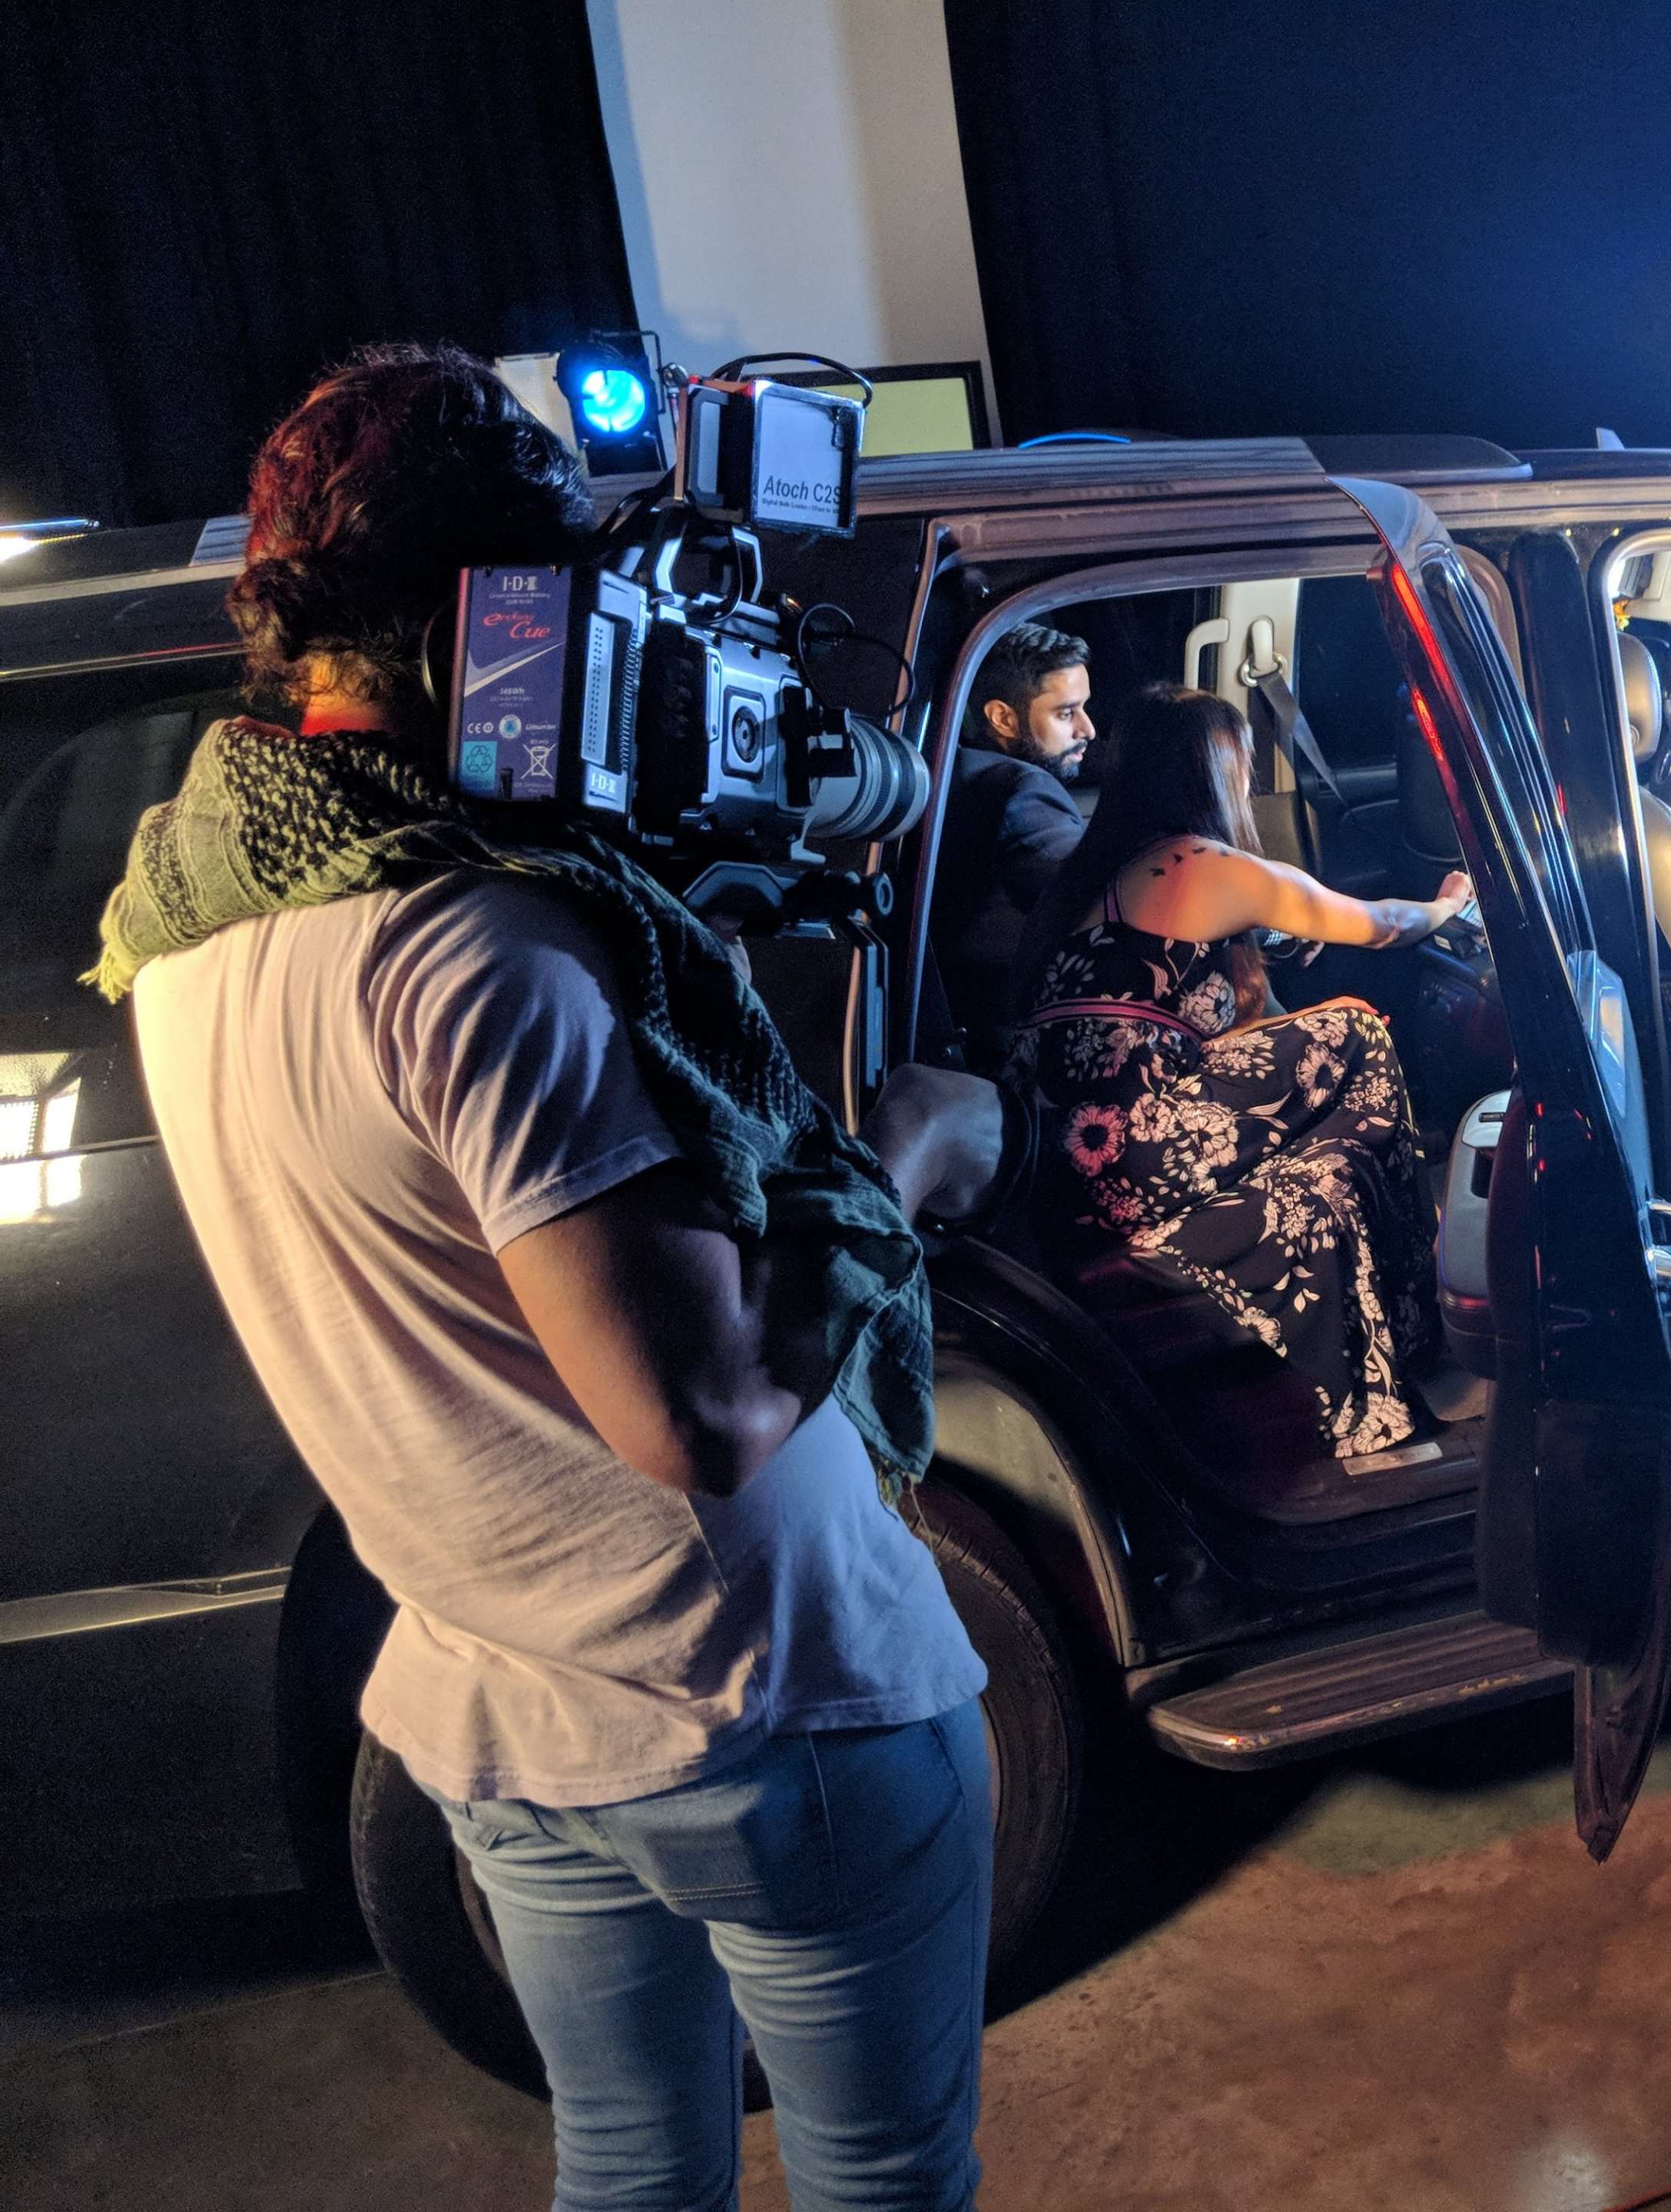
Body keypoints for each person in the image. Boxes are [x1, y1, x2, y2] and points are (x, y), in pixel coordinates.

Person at [94, 343, 1006, 2212]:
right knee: (884, 2176)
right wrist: (900, 1160)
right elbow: (701, 1417)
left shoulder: (190, 939)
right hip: (763, 1701)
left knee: (631, 2169)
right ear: (504, 618)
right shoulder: (480, 955)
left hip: (500, 1708)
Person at [1006, 683, 1471, 1459]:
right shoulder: (1196, 862)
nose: (1250, 780)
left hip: (1070, 1168)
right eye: (1244, 762)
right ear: (1211, 769)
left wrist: (1283, 990)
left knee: (1333, 1151)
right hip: (1134, 1154)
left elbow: (1172, 1027)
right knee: (1356, 1031)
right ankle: (1423, 1315)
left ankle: (1391, 1361)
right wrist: (1450, 904)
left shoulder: (1102, 872)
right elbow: (1383, 926)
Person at [930, 621, 1094, 1055]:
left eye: (1084, 709)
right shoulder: (1024, 788)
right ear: (1003, 718)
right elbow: (1090, 893)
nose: (1088, 729)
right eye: (1066, 713)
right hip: (1003, 1040)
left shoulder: (957, 768)